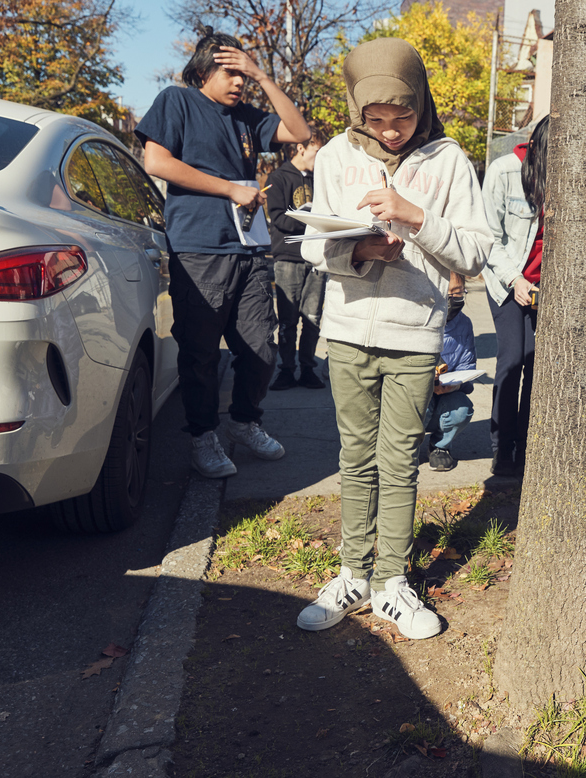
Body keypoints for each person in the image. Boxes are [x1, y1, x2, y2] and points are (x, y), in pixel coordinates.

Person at [295, 38, 491, 640]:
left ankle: (391, 583)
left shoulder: (448, 160)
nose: (390, 130)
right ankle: (352, 573)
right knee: (355, 458)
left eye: (401, 116)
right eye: (375, 118)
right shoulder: (334, 155)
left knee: (400, 460)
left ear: (421, 103)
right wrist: (359, 252)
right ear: (356, 110)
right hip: (348, 332)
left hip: (415, 335)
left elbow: (475, 253)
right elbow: (314, 247)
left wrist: (415, 217)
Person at [137, 28, 312, 479]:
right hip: (198, 248)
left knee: (262, 346)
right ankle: (202, 436)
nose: (239, 83)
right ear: (202, 72)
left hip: (249, 248)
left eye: (243, 76)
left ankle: (244, 422)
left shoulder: (248, 117)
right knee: (201, 354)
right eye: (230, 74)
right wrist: (230, 189)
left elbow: (300, 131)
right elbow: (156, 161)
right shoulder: (177, 102)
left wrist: (263, 76)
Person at [480, 116, 550, 477]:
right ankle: (502, 448)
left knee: (539, 364)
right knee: (513, 359)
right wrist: (515, 279)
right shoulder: (504, 171)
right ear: (535, 147)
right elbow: (487, 236)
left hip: (546, 288)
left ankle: (527, 447)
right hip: (507, 281)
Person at [267, 129, 328, 391]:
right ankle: (286, 369)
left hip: (317, 257)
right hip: (289, 257)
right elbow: (279, 218)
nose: (320, 158)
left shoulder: (320, 179)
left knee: (312, 317)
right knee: (288, 319)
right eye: (317, 151)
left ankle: (308, 369)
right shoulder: (278, 177)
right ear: (301, 148)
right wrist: (309, 219)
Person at [424, 274, 477, 472]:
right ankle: (404, 447)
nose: (453, 299)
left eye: (458, 293)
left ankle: (440, 446)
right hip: (417, 392)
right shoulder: (414, 321)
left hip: (447, 392)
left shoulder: (464, 324)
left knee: (462, 409)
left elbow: (467, 367)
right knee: (418, 403)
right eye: (446, 293)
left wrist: (456, 385)